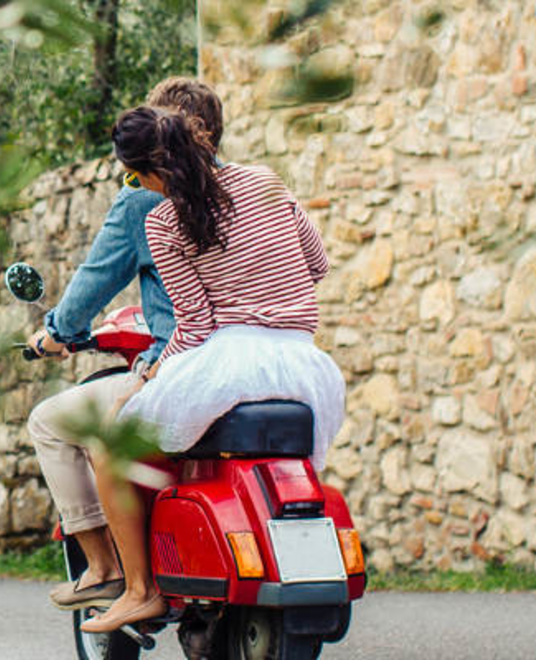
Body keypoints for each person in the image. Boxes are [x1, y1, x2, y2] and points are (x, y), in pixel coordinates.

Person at [80, 105, 346, 633]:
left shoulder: (164, 221)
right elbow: (317, 264)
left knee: (110, 442)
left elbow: (196, 326)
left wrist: (147, 379)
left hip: (229, 363)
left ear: (150, 173)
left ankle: (139, 590)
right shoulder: (266, 181)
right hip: (306, 367)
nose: (139, 187)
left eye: (134, 177)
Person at [25, 78, 225, 612]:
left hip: (175, 361)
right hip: (247, 360)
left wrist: (56, 333)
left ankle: (108, 570)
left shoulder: (143, 202)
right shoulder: (242, 188)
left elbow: (94, 281)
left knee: (50, 421)